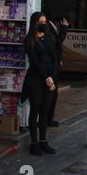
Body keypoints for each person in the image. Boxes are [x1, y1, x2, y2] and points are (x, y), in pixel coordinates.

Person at [21, 12, 57, 156]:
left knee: (44, 111)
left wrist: (52, 78)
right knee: (35, 109)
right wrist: (46, 77)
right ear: (34, 23)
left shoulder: (50, 38)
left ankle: (43, 140)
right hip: (36, 78)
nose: (43, 23)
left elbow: (54, 59)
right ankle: (33, 143)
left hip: (50, 78)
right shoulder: (29, 40)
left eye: (44, 21)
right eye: (40, 21)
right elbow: (34, 61)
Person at [46, 15, 69, 127]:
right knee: (51, 92)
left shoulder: (53, 27)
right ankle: (47, 119)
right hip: (50, 65)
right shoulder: (48, 27)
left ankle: (49, 118)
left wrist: (59, 58)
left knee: (53, 93)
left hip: (54, 62)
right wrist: (64, 28)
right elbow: (57, 42)